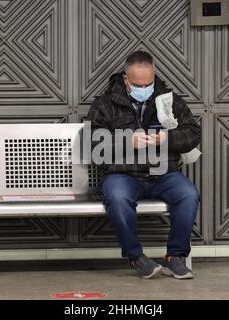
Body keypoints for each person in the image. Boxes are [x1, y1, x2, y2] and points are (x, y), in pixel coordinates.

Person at [87, 51, 201, 279]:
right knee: (117, 198)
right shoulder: (105, 104)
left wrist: (167, 138)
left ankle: (175, 257)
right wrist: (128, 142)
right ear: (126, 79)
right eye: (138, 84)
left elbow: (193, 134)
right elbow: (93, 143)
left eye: (148, 83)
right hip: (123, 174)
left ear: (154, 74)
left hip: (163, 173)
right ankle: (135, 257)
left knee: (189, 194)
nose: (144, 88)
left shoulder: (169, 100)